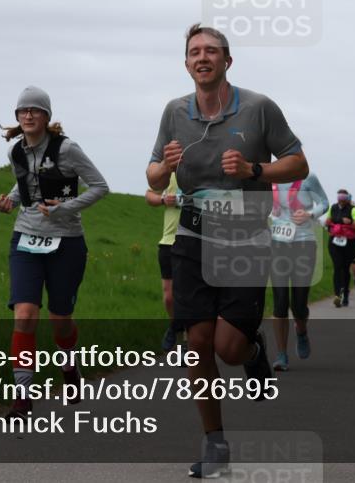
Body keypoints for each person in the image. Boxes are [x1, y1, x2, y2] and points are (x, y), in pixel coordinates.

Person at [146, 24, 308, 478]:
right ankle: (215, 444)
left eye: (212, 51)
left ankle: (253, 350)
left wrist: (255, 168)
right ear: (186, 64)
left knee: (228, 348)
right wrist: (165, 167)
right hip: (193, 237)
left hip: (245, 239)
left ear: (227, 61)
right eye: (195, 52)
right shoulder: (174, 112)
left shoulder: (258, 109)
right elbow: (154, 176)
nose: (203, 58)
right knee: (197, 343)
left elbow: (298, 161)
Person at [0, 86, 109, 418]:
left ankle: (70, 367)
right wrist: (10, 201)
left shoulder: (67, 149)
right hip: (25, 239)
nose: (28, 115)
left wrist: (64, 208)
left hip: (67, 242)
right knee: (25, 314)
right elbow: (25, 185)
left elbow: (100, 187)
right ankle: (22, 397)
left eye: (35, 110)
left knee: (60, 320)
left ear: (47, 116)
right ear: (17, 117)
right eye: (23, 110)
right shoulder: (16, 152)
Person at [268, 174, 329, 371]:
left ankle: (301, 332)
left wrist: (310, 214)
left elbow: (325, 202)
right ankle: (281, 354)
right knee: (280, 301)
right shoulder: (270, 178)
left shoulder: (308, 178)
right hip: (278, 244)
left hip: (304, 243)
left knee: (299, 304)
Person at [145, 173, 184, 351]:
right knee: (169, 297)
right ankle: (176, 326)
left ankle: (186, 345)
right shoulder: (170, 173)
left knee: (187, 297)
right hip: (168, 241)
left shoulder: (202, 171)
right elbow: (149, 195)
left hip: (193, 241)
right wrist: (162, 199)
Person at [324, 189, 355, 307]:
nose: (341, 200)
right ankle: (337, 295)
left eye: (344, 198)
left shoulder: (352, 210)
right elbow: (327, 221)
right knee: (337, 267)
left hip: (349, 244)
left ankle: (346, 295)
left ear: (347, 199)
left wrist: (350, 223)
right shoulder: (332, 208)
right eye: (340, 197)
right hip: (334, 242)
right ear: (337, 198)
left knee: (345, 268)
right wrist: (334, 223)